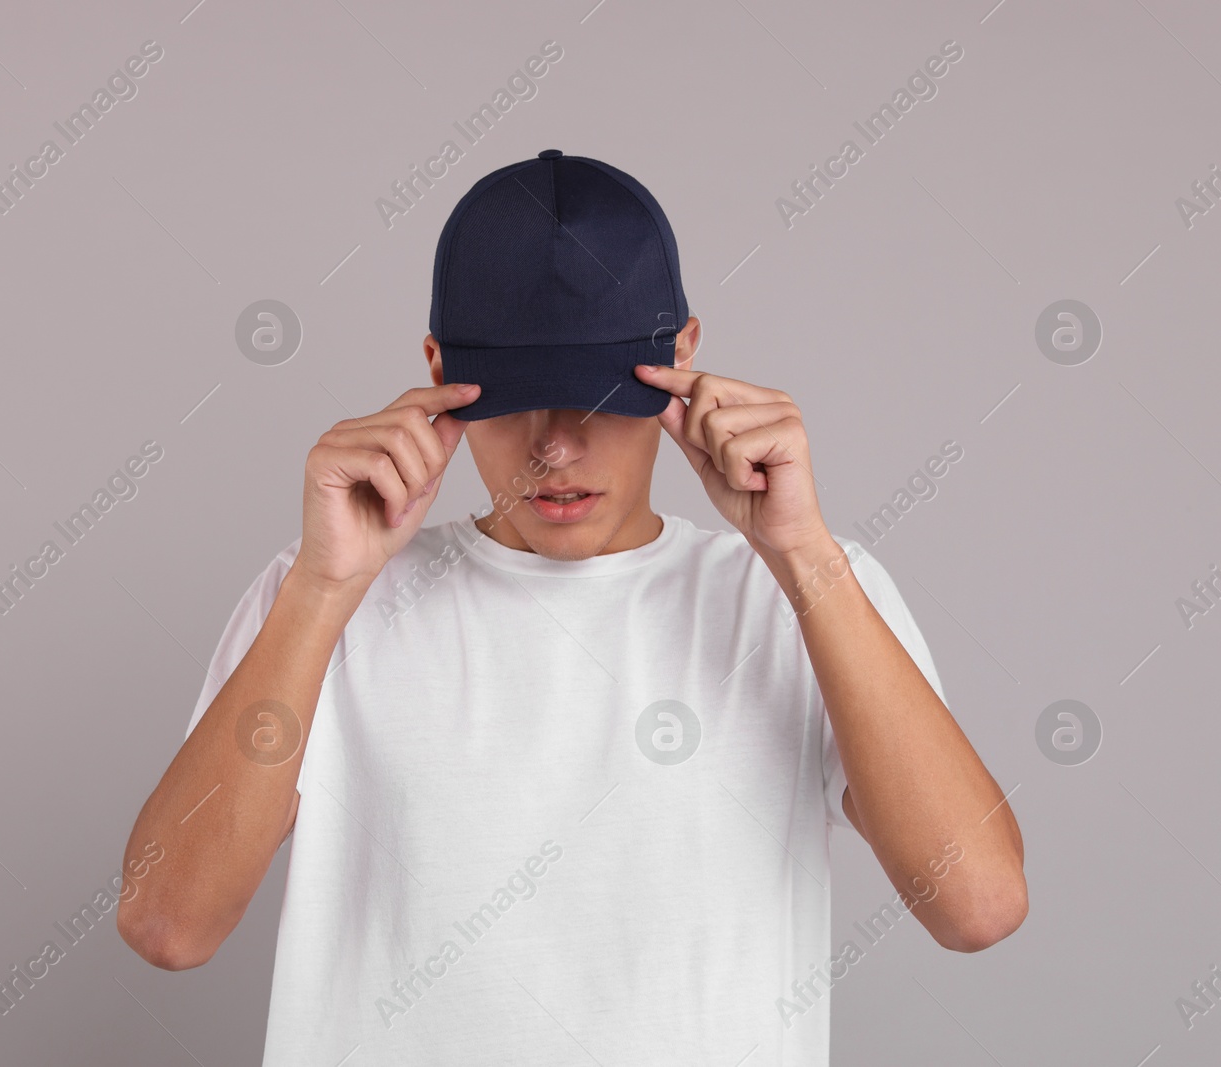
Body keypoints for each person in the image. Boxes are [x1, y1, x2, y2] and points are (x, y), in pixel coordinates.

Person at [116, 149, 1026, 1065]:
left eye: (599, 397)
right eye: (513, 401)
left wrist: (803, 556)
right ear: (438, 369)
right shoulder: (322, 591)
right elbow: (168, 926)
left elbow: (978, 905)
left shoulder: (796, 593)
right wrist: (322, 592)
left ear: (683, 359)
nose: (556, 448)